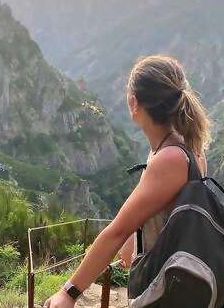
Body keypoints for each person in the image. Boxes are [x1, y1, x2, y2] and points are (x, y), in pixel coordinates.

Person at [44, 55, 211, 308]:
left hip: (167, 291)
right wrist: (133, 242)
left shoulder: (170, 158)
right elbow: (165, 211)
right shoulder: (187, 147)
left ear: (134, 104)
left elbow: (115, 231)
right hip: (181, 281)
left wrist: (68, 293)